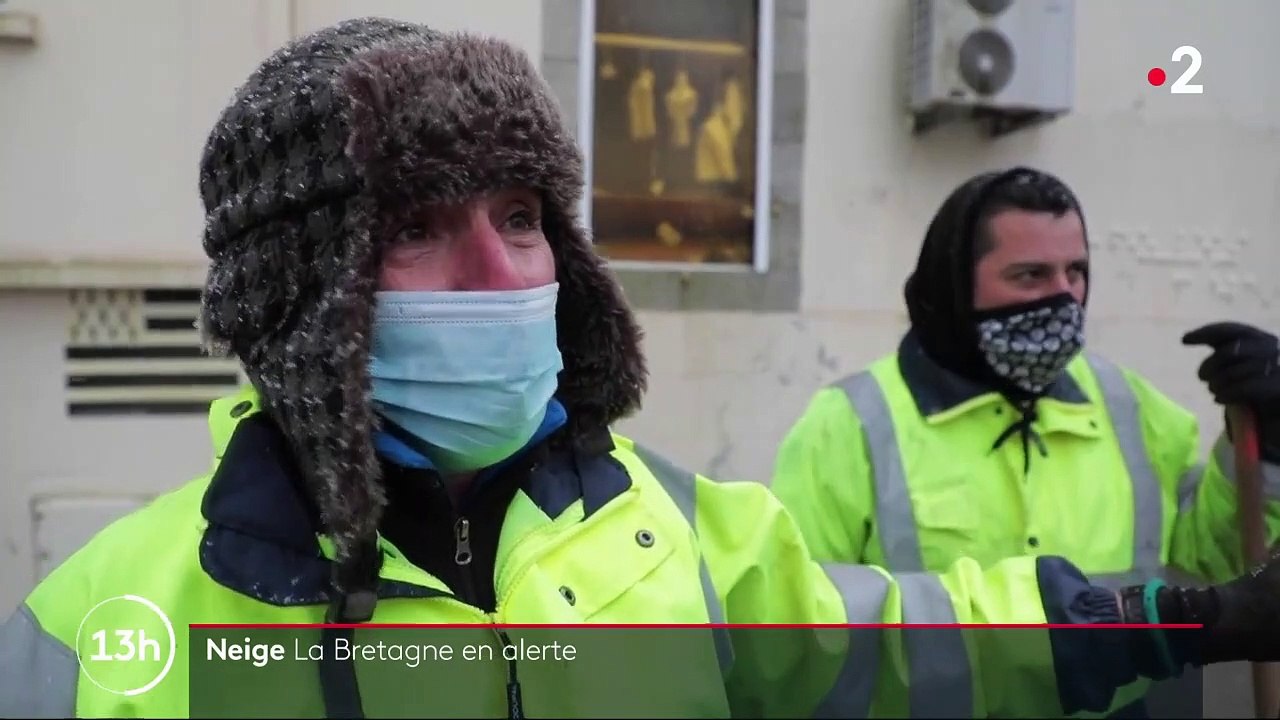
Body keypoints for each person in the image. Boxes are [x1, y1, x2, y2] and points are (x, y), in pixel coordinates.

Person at [1, 18, 1279, 719]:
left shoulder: (671, 534)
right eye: (412, 230)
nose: (507, 280)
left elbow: (904, 639)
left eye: (519, 219)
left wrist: (1193, 621)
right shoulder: (104, 629)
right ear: (295, 295)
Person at [770, 166, 1280, 716]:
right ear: (955, 285)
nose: (1063, 299)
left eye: (1076, 272)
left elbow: (1214, 562)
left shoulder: (1133, 407)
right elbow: (803, 632)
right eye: (1031, 275)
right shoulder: (850, 425)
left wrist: (1269, 441)